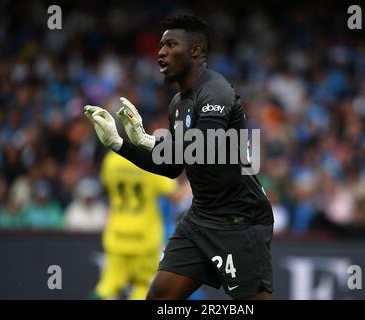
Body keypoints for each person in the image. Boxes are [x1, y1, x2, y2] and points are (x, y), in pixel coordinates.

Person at [84, 14, 274, 300]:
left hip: (240, 221)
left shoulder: (216, 92)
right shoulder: (178, 103)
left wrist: (149, 140)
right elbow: (174, 167)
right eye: (161, 46)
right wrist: (119, 144)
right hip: (201, 217)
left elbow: (206, 150)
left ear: (196, 51)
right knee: (159, 297)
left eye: (171, 45)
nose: (161, 52)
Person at [92, 151, 177, 300]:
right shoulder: (151, 159)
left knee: (108, 285)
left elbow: (106, 188)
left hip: (117, 234)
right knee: (143, 285)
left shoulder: (111, 160)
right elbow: (173, 193)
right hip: (145, 238)